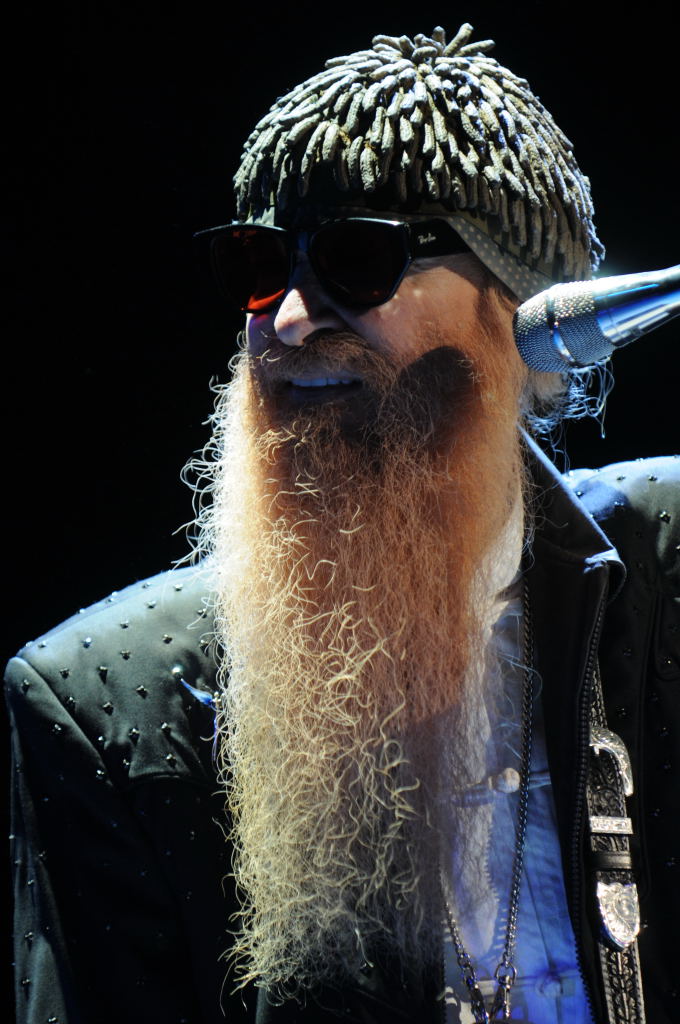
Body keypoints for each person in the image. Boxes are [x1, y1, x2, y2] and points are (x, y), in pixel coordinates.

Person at [5, 22, 679, 1024]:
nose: (285, 320)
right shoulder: (102, 705)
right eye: (258, 266)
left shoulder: (669, 561)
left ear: (534, 313)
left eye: (356, 261)